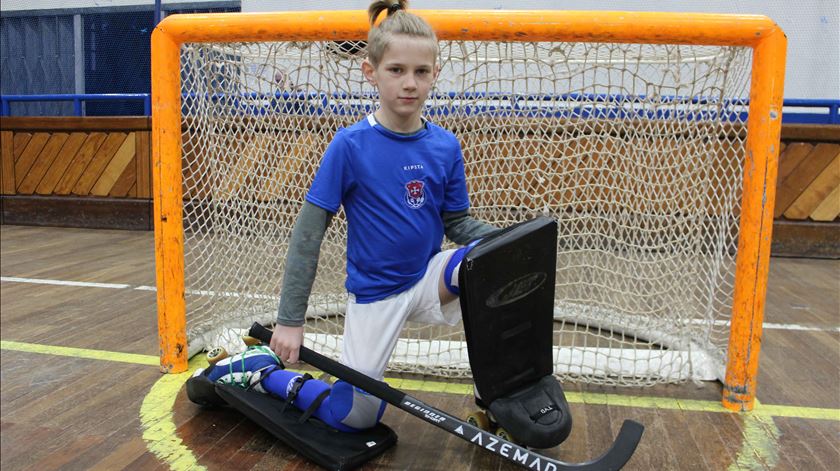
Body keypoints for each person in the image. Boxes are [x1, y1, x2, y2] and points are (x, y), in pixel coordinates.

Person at [268, 0, 498, 430]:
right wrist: (289, 320)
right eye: (396, 70)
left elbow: (458, 224)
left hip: (428, 278)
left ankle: (497, 400)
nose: (409, 83)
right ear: (370, 72)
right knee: (354, 418)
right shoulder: (349, 145)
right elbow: (308, 235)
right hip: (376, 295)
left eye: (421, 72)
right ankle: (268, 376)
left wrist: (515, 238)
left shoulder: (445, 146)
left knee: (493, 264)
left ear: (434, 74)